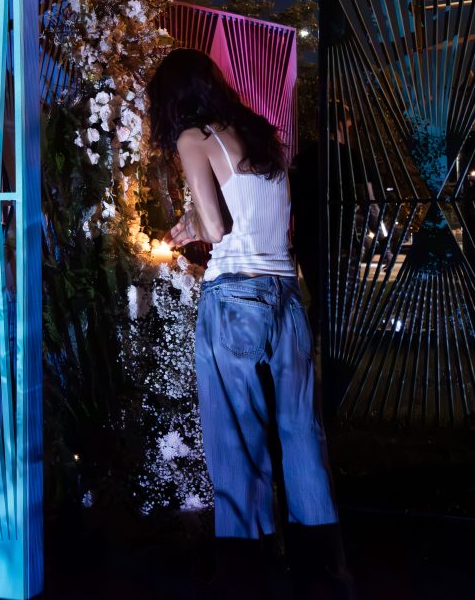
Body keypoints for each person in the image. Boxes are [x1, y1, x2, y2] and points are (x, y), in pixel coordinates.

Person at [147, 48, 351, 599]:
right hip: (286, 296)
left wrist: (195, 225)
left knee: (236, 442)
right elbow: (250, 216)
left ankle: (246, 575)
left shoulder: (195, 139)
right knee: (301, 435)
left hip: (234, 298)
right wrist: (188, 225)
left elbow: (217, 227)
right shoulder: (259, 135)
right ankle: (324, 577)